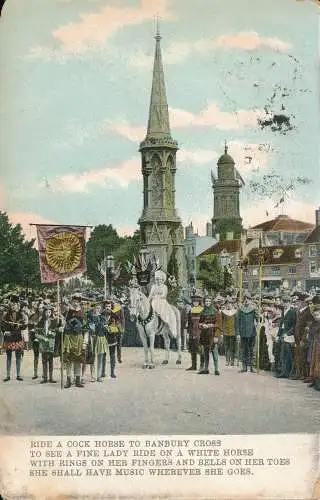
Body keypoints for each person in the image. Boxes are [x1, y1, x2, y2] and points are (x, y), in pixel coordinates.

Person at [2, 295, 27, 382]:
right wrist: (6, 330)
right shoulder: (6, 314)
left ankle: (18, 375)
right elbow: (3, 324)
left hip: (18, 337)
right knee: (8, 356)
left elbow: (24, 326)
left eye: (15, 304)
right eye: (12, 304)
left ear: (18, 305)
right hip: (9, 337)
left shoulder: (21, 314)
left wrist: (21, 325)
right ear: (10, 304)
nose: (14, 305)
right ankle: (8, 375)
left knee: (18, 356)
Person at [148, 270, 178, 338]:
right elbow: (150, 295)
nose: (158, 281)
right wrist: (148, 300)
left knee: (167, 310)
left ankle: (165, 321)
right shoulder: (153, 286)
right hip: (154, 301)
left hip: (162, 301)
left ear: (162, 280)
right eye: (156, 279)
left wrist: (156, 296)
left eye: (159, 279)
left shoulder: (164, 287)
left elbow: (164, 296)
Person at [63, 304, 85, 388]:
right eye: (74, 301)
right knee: (69, 361)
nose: (75, 303)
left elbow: (85, 328)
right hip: (69, 338)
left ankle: (78, 380)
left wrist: (84, 343)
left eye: (77, 301)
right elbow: (65, 324)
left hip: (79, 339)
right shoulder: (68, 313)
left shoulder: (82, 313)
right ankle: (68, 380)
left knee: (78, 361)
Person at [35, 304, 59, 384]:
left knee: (51, 361)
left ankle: (51, 377)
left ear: (51, 313)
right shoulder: (41, 321)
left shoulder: (54, 321)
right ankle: (45, 377)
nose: (48, 314)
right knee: (44, 361)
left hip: (51, 343)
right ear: (44, 313)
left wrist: (53, 332)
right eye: (46, 312)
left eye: (49, 312)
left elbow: (56, 330)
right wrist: (42, 337)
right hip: (43, 343)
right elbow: (37, 332)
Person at [275, 294, 297, 379]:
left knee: (287, 355)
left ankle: (287, 372)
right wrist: (278, 335)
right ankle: (283, 371)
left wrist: (287, 333)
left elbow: (294, 325)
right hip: (282, 335)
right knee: (282, 354)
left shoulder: (292, 312)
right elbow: (281, 325)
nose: (285, 304)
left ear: (289, 303)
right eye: (284, 302)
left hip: (288, 336)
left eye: (286, 302)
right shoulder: (284, 312)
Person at [236, 293, 257, 373]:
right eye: (245, 299)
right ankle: (244, 367)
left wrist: (257, 311)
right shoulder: (240, 310)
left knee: (252, 350)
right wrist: (238, 333)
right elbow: (237, 322)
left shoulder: (253, 309)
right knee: (244, 350)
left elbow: (258, 318)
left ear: (250, 300)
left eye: (248, 299)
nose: (247, 301)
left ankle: (252, 366)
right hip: (243, 332)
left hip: (252, 332)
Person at [198, 296, 219, 375]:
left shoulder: (215, 311)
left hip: (212, 334)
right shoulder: (203, 311)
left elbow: (218, 324)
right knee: (206, 352)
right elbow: (199, 323)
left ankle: (216, 369)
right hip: (204, 334)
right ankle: (206, 369)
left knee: (214, 351)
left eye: (209, 301)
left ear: (211, 302)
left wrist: (216, 335)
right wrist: (202, 325)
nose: (207, 303)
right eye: (206, 301)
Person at [186, 294, 203, 371]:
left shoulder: (202, 310)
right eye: (194, 301)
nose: (195, 303)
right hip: (192, 331)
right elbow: (189, 322)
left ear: (199, 302)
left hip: (200, 332)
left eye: (197, 301)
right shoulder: (190, 310)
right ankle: (194, 366)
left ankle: (202, 366)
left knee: (200, 349)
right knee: (192, 349)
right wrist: (188, 332)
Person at [307, 294, 320, 391]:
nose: (316, 315)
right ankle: (315, 381)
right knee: (313, 361)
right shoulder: (314, 320)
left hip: (318, 341)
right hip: (315, 341)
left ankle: (317, 382)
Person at [221, 297, 237, 366]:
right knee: (226, 346)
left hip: (233, 331)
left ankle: (232, 360)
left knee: (232, 347)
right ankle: (227, 360)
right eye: (227, 303)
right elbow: (222, 321)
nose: (229, 305)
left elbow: (236, 322)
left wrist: (237, 331)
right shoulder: (223, 312)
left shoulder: (235, 312)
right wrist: (222, 331)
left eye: (230, 303)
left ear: (232, 304)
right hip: (225, 331)